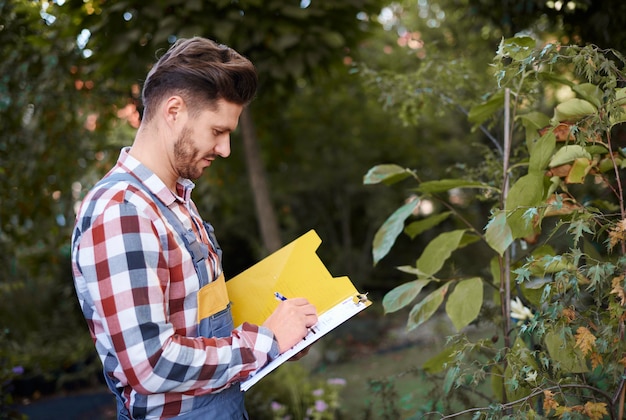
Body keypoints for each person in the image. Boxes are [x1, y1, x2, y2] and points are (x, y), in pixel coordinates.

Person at [70, 37, 318, 419]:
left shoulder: (175, 200)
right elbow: (150, 365)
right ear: (174, 111)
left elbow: (194, 324)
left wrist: (280, 334)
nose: (225, 149)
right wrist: (265, 342)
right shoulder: (123, 212)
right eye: (218, 131)